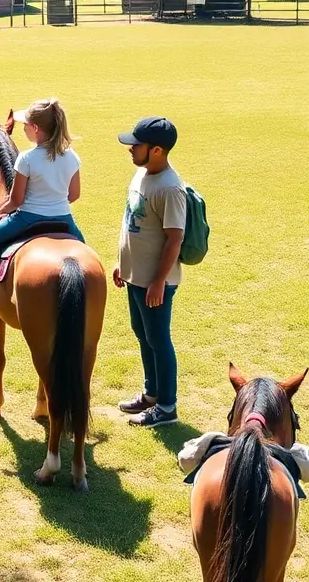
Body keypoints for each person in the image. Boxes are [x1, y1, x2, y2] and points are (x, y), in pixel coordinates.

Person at [0, 99, 85, 305]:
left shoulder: (27, 158)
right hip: (64, 219)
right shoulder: (72, 156)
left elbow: (16, 199)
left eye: (25, 125)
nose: (23, 129)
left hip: (28, 218)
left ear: (36, 129)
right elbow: (74, 195)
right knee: (84, 252)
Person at [114, 117, 186, 427]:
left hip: (155, 281)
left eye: (137, 144)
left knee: (158, 339)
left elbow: (174, 239)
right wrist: (122, 263)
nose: (130, 148)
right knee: (142, 334)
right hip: (135, 275)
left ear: (157, 150)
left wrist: (158, 282)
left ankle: (167, 408)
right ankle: (152, 394)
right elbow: (134, 222)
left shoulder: (170, 188)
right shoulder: (141, 174)